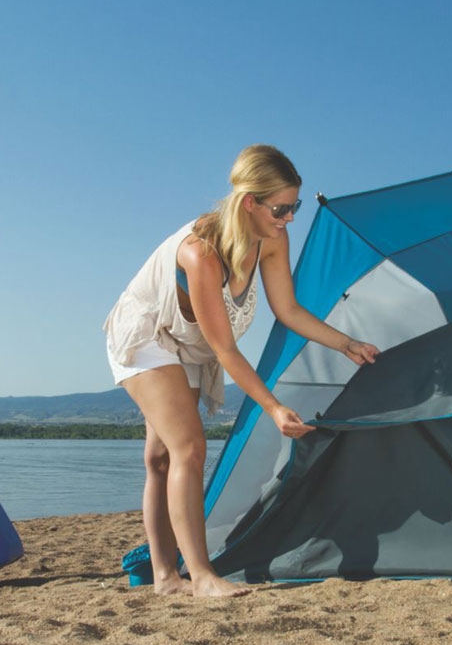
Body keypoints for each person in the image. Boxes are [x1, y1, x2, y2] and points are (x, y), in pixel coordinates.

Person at [104, 144, 379, 597]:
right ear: (250, 202)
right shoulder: (200, 254)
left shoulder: (271, 238)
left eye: (296, 207)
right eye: (282, 208)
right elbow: (227, 351)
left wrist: (346, 343)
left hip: (188, 343)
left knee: (160, 459)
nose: (290, 217)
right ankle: (200, 576)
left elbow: (288, 309)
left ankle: (163, 578)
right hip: (148, 336)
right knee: (188, 449)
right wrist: (273, 407)